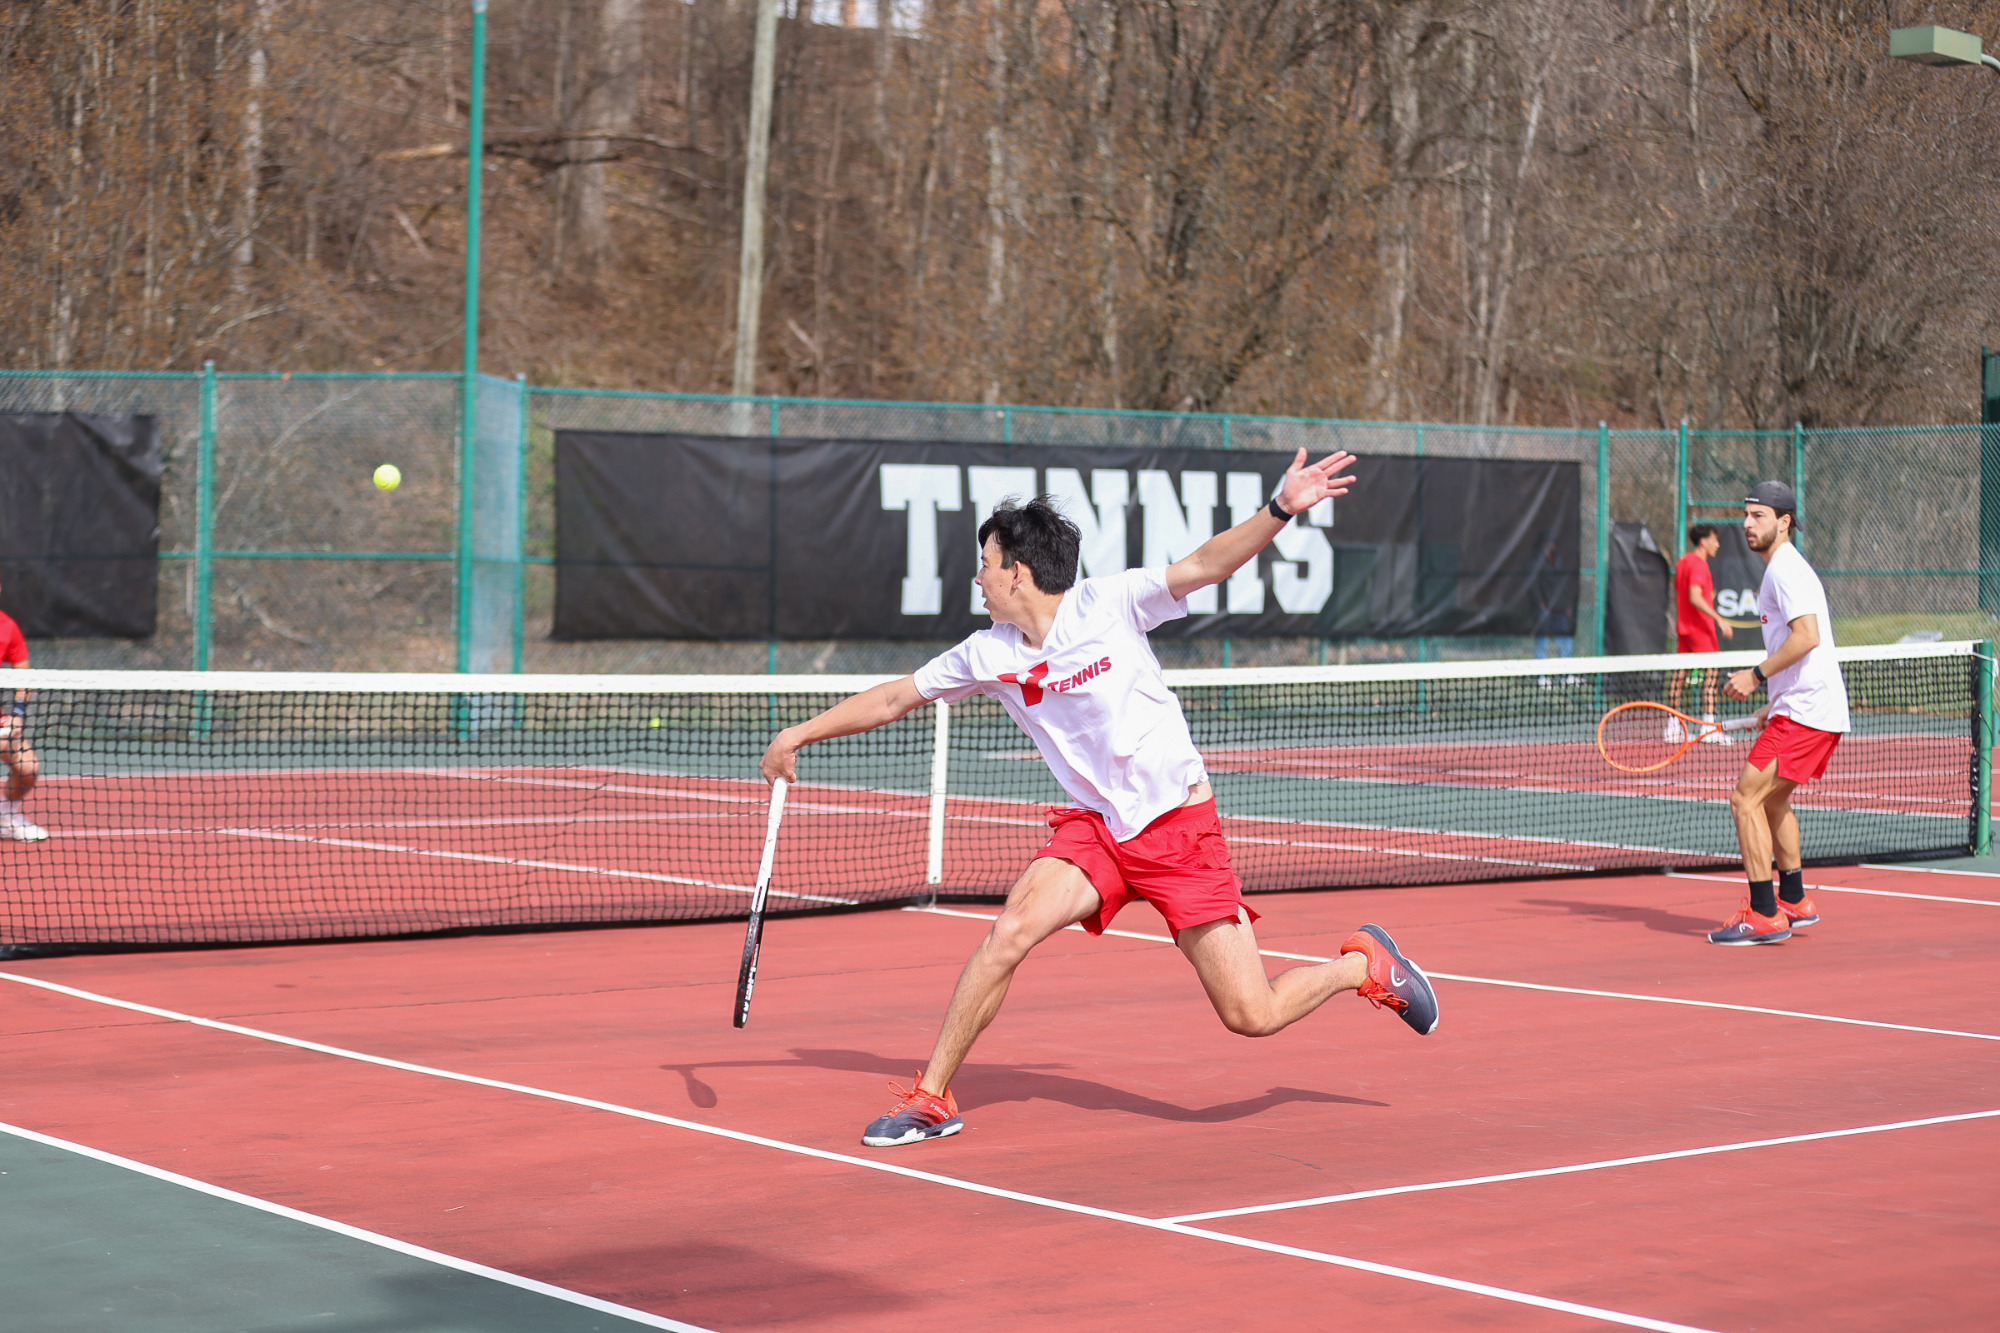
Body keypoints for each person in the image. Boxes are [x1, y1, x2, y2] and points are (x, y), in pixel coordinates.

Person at [759, 450, 1440, 1148]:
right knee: (1009, 932)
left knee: (1252, 1014)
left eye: (985, 563)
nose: (977, 578)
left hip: (1178, 827)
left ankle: (1362, 964)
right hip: (1098, 830)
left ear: (1016, 571)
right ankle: (931, 1097)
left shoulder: (1111, 603)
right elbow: (896, 695)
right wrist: (800, 733)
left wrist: (1281, 508)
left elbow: (1207, 564)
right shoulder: (987, 652)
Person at [1710, 480, 1845, 945]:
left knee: (1744, 799)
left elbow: (1806, 636)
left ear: (1784, 522)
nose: (1747, 524)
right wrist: (1775, 701)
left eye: (1759, 516)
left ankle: (1764, 914)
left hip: (1806, 711)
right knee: (1771, 800)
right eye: (1746, 515)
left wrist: (1756, 676)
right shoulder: (1784, 569)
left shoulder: (1785, 569)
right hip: (1806, 706)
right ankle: (1794, 901)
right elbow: (1810, 647)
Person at [1666, 524, 1734, 742]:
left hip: (1684, 629)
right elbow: (1695, 597)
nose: (1717, 544)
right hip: (1701, 630)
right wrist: (1720, 619)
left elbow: (1681, 595)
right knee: (1711, 675)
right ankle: (1708, 727)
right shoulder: (1698, 565)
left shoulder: (1682, 562)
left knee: (1679, 676)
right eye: (1714, 539)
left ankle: (1672, 725)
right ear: (1703, 541)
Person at [0, 572, 46, 842]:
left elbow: (23, 674)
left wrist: (17, 715)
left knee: (28, 768)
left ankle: (5, 816)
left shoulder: (8, 627)